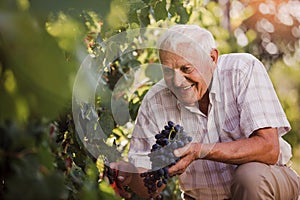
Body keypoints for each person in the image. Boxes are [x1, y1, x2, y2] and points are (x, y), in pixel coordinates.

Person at [110, 24, 300, 200]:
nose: (177, 81)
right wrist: (131, 176)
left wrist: (200, 150)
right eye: (168, 71)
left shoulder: (241, 70)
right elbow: (150, 187)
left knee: (249, 178)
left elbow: (269, 148)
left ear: (212, 58)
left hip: (268, 184)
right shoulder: (155, 101)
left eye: (186, 69)